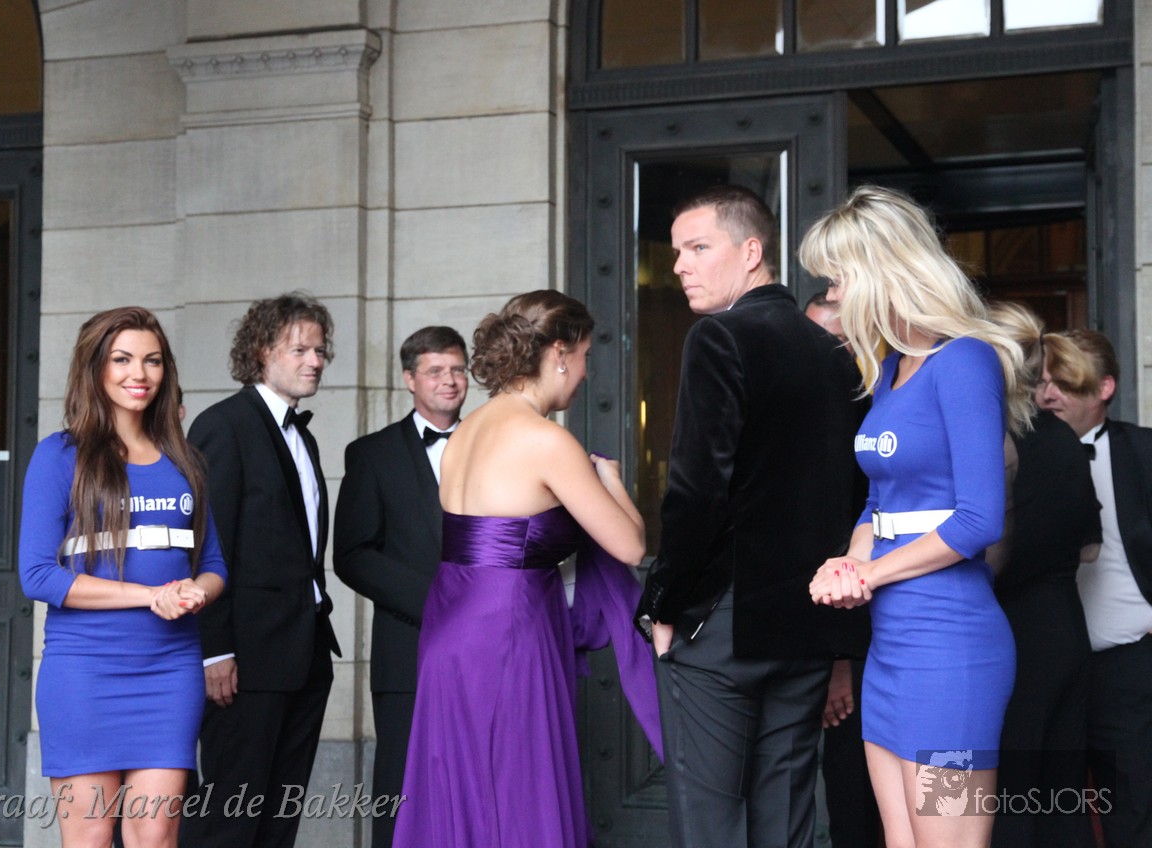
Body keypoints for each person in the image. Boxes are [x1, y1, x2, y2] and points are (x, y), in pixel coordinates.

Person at [636, 185, 869, 848]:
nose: (679, 265)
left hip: (724, 621)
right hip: (807, 621)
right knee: (785, 820)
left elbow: (696, 490)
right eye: (677, 251)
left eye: (697, 247)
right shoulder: (836, 352)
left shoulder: (721, 335)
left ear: (751, 251)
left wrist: (664, 604)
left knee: (711, 824)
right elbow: (849, 494)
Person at [800, 185, 1031, 848]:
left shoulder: (965, 360)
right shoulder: (892, 369)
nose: (833, 296)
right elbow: (880, 506)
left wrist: (870, 576)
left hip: (952, 650)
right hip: (891, 648)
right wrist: (848, 562)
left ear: (882, 271)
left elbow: (979, 520)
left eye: (839, 278)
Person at [391, 290, 647, 848]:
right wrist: (611, 484)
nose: (585, 373)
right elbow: (630, 547)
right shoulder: (546, 439)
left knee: (462, 788)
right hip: (508, 632)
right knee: (515, 791)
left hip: (450, 630)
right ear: (559, 352)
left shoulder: (464, 432)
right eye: (585, 356)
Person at [18, 306, 226, 848]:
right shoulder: (60, 456)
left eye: (152, 361)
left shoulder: (185, 460)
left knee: (155, 837)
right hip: (85, 672)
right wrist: (150, 596)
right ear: (95, 368)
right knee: (88, 838)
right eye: (123, 359)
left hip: (170, 673)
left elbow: (214, 566)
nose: (140, 373)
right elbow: (38, 576)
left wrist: (193, 592)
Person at [180, 293, 342, 848]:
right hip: (245, 661)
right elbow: (204, 546)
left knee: (278, 823)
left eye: (320, 350)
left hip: (304, 654)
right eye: (300, 349)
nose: (315, 361)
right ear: (260, 351)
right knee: (229, 821)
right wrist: (214, 651)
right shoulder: (223, 426)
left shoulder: (303, 436)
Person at [334, 325, 470, 848]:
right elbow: (352, 555)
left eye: (457, 369)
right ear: (410, 379)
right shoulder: (371, 454)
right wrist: (435, 601)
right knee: (403, 786)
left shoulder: (492, 443)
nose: (449, 380)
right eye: (436, 371)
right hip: (408, 646)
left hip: (486, 646)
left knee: (476, 778)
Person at [984, 303, 1101, 848]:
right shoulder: (1064, 436)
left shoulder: (996, 438)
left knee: (1007, 797)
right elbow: (1090, 549)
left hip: (1012, 633)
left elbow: (993, 556)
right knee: (1063, 798)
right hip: (1065, 629)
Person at [1036, 328, 1152, 848]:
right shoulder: (1017, 454)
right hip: (1046, 663)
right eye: (1042, 382)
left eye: (1064, 383)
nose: (1048, 395)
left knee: (1132, 808)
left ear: (1104, 388)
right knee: (1047, 809)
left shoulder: (1143, 452)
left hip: (1128, 665)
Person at [805, 292, 881, 848]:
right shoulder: (798, 418)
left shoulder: (879, 414)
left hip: (874, 632)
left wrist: (839, 662)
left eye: (835, 343)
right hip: (814, 638)